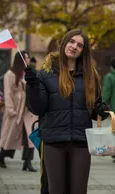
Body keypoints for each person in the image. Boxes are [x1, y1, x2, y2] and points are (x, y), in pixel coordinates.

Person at [25, 28, 110, 194]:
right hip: (53, 142)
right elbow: (37, 108)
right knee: (56, 190)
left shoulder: (89, 75)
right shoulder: (45, 74)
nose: (74, 46)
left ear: (83, 51)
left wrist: (101, 109)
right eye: (71, 42)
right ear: (64, 43)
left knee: (78, 190)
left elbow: (94, 108)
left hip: (81, 141)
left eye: (80, 45)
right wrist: (32, 86)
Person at [0, 51, 38, 171]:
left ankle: (27, 162)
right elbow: (8, 92)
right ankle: (1, 155)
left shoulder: (28, 72)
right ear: (20, 59)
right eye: (26, 57)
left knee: (30, 137)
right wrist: (10, 109)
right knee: (11, 136)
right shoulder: (10, 74)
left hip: (28, 111)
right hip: (15, 110)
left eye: (29, 57)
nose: (28, 59)